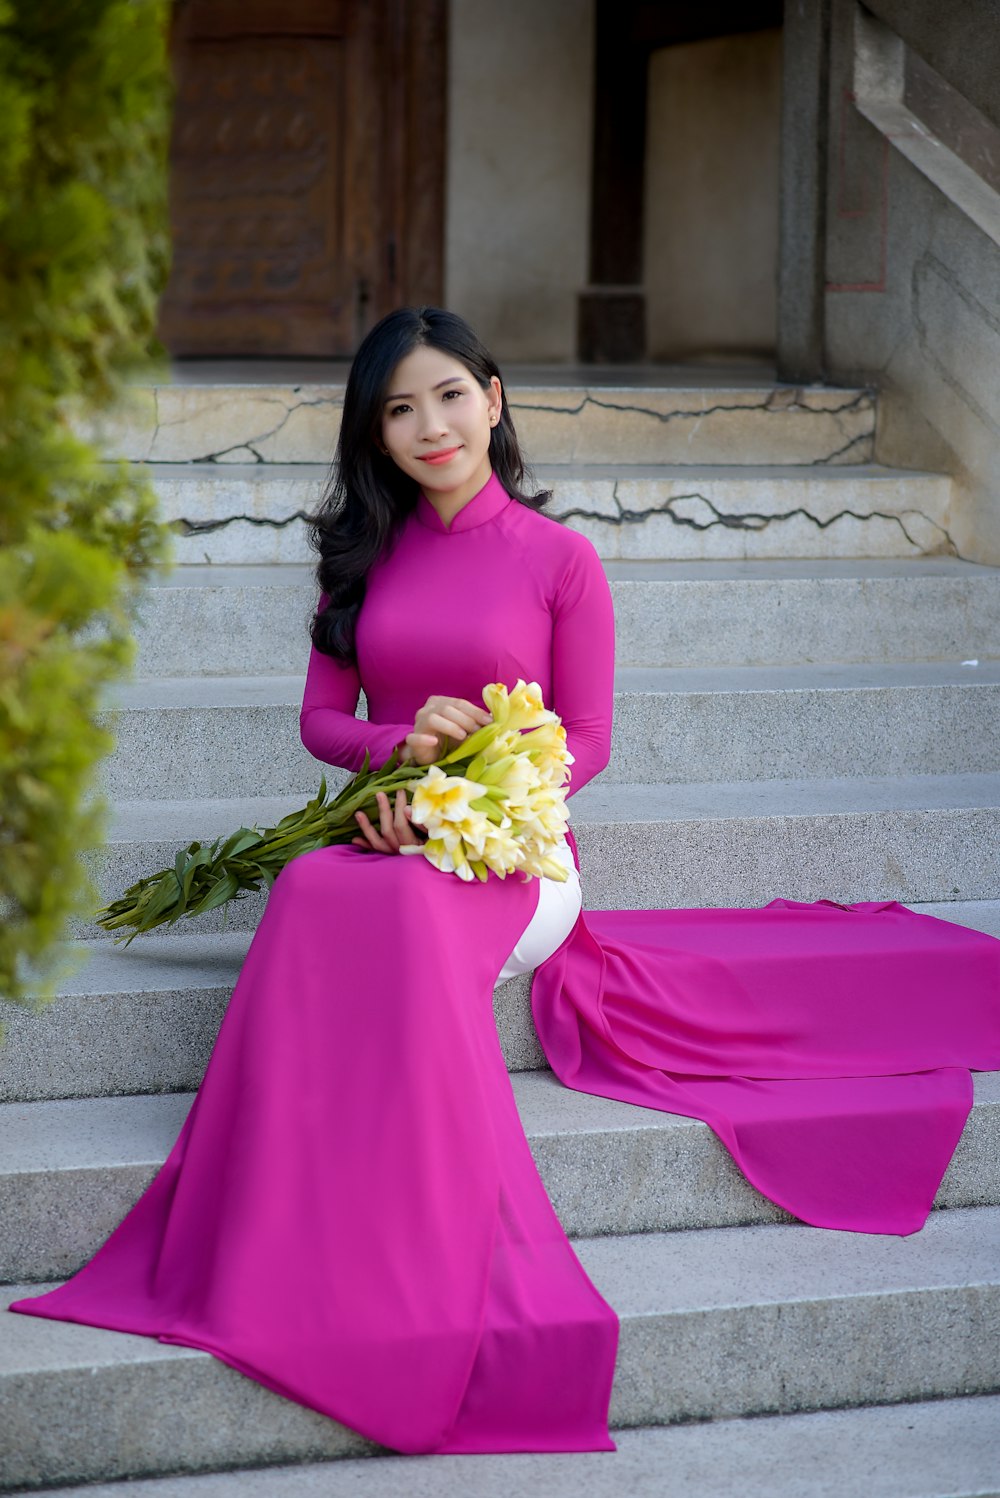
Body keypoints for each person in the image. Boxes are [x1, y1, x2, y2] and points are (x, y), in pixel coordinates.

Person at [9, 307, 1000, 1457]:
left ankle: (411, 1235)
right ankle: (290, 1208)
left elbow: (591, 739)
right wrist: (398, 764)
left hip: (518, 855)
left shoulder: (558, 560)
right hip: (393, 831)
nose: (430, 425)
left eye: (447, 396)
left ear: (494, 396)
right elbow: (325, 720)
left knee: (400, 910)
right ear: (373, 434)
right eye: (397, 408)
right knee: (318, 891)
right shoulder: (360, 557)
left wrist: (489, 792)